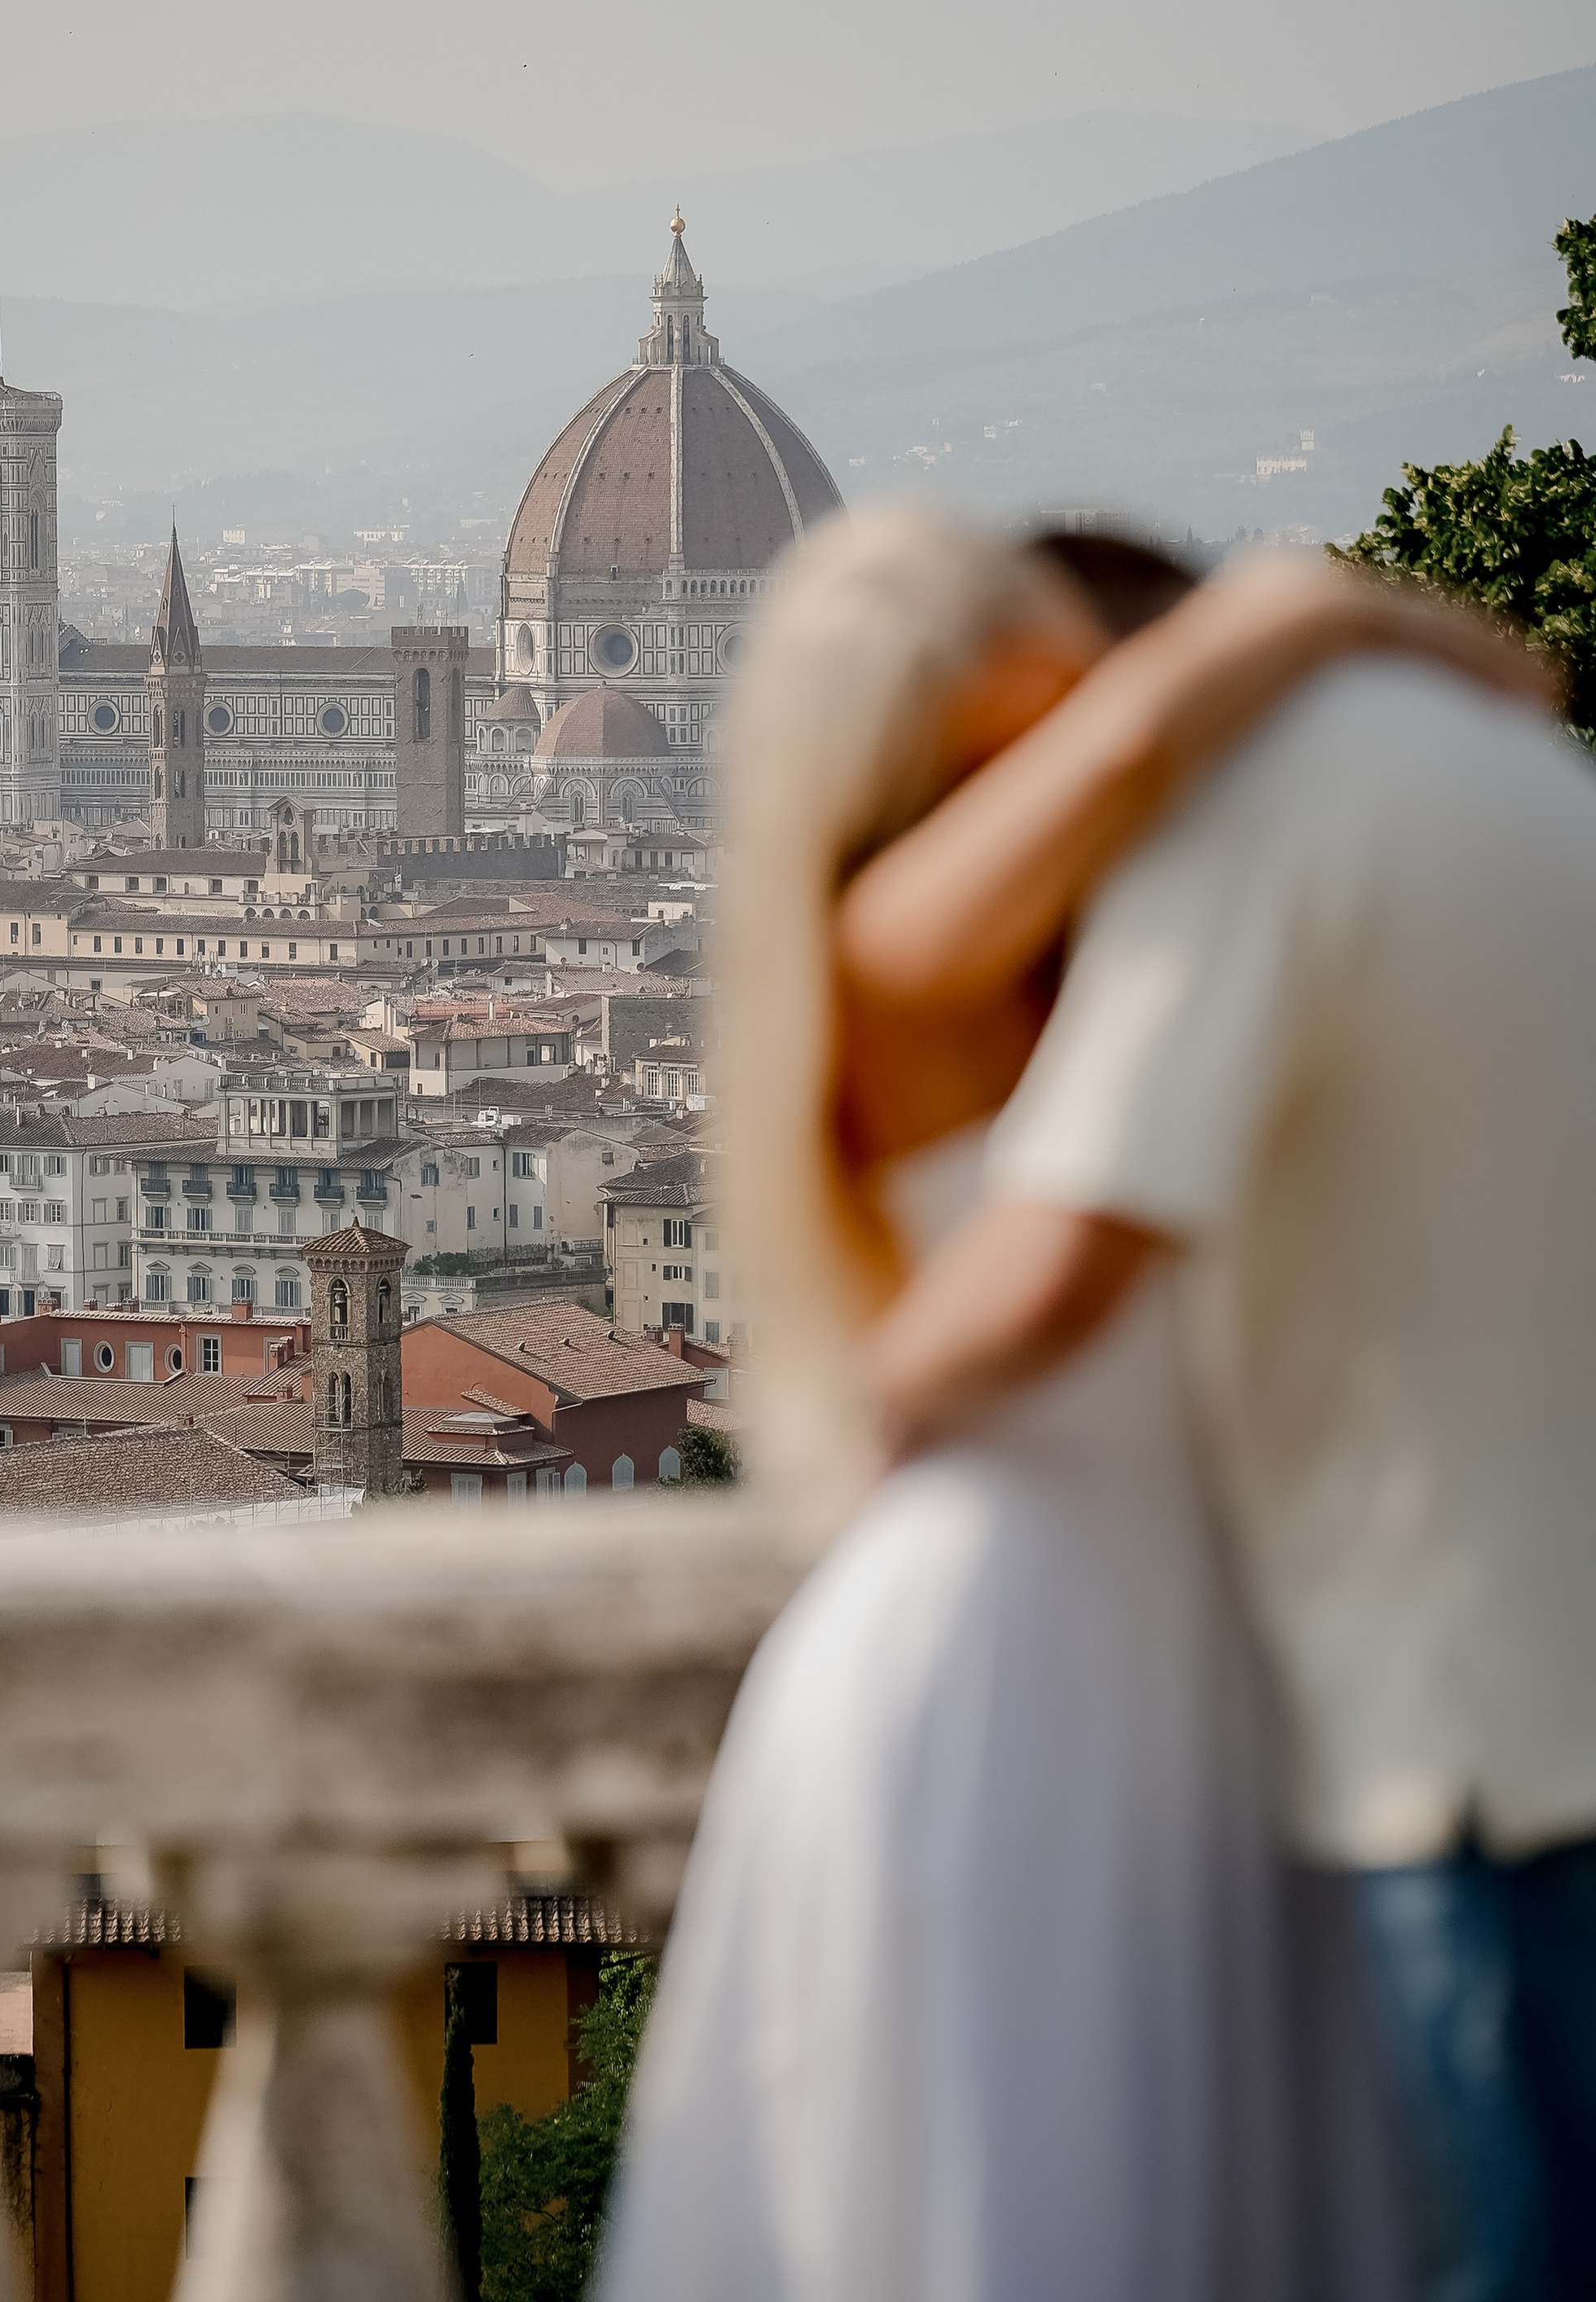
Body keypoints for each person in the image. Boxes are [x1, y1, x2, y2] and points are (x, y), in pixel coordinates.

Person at [597, 504, 1547, 2302]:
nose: (1069, 777)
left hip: (1167, 1638)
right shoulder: (903, 942)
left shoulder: (1053, 950)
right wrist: (1285, 622)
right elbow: (1053, 1277)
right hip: (1014, 1650)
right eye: (991, 744)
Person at [857, 561, 1596, 2302]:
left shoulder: (1255, 808)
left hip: (1489, 1740)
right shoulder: (1489, 770)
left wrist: (852, 1398)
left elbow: (1048, 1268)